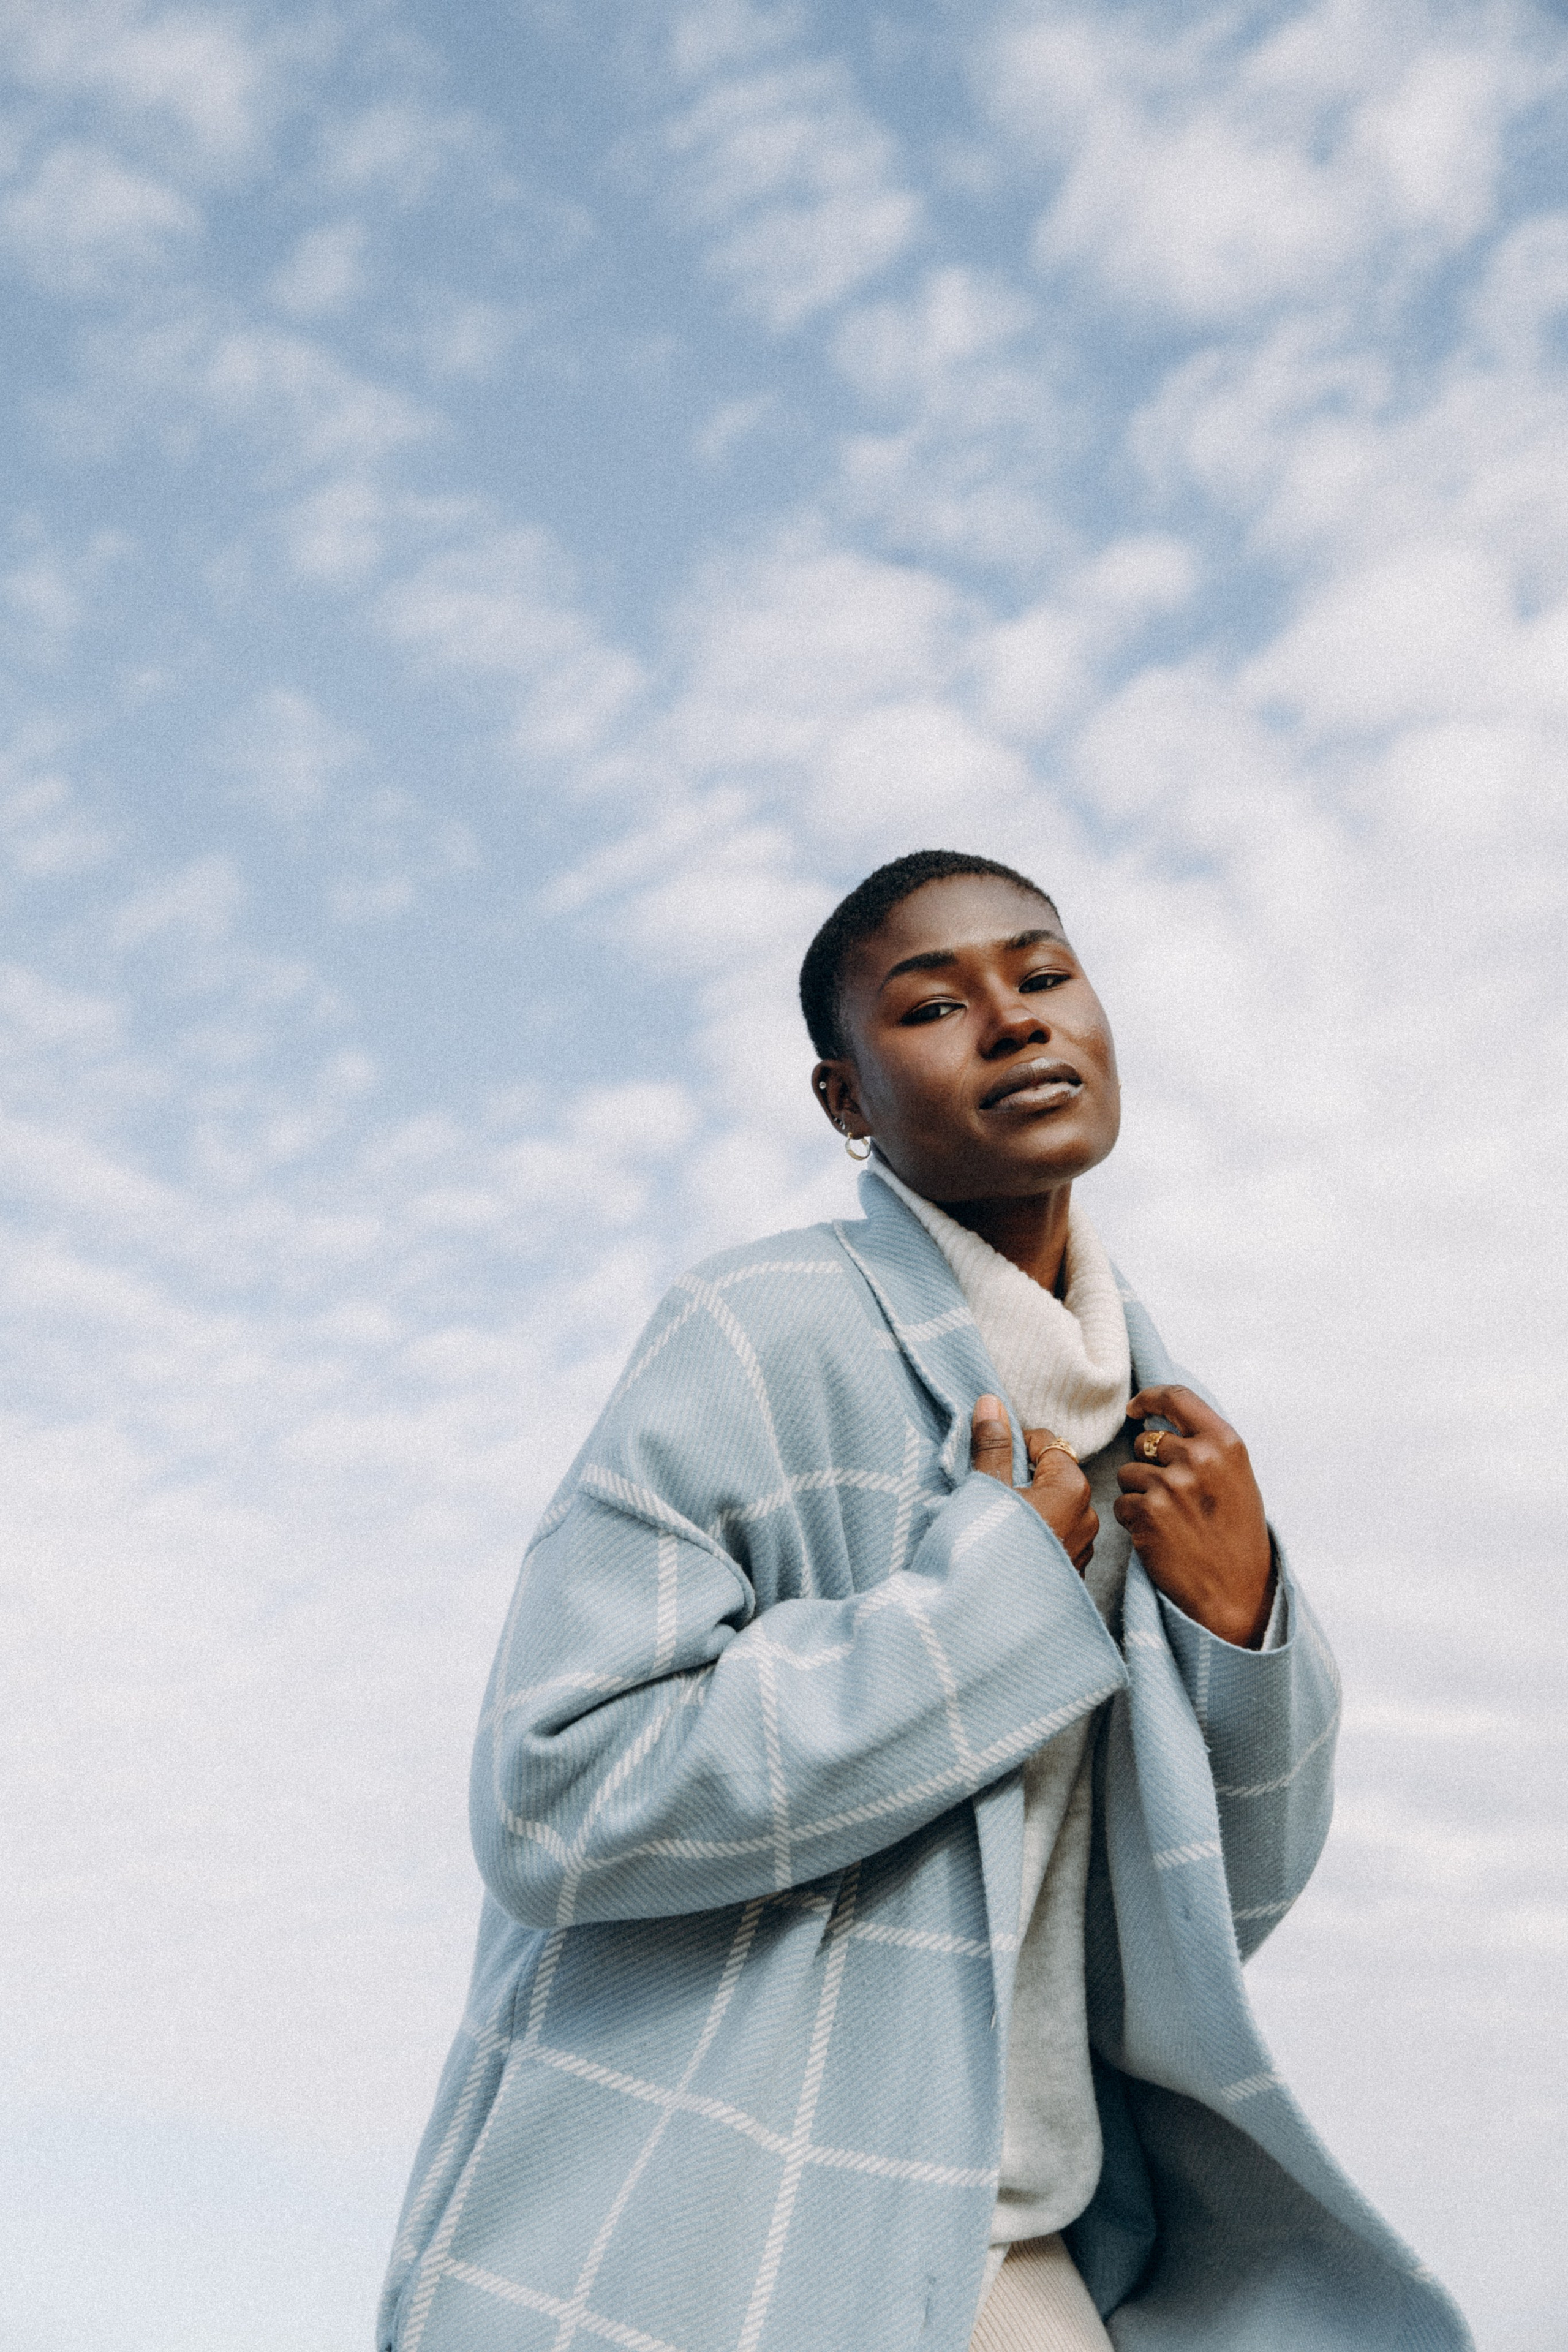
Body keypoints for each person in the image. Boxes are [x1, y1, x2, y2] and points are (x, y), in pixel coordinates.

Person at [379, 851, 1471, 2352]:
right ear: (845, 1100)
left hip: (1022, 2243)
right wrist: (987, 1611)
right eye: (934, 1004)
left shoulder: (1157, 1436)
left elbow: (1201, 1924)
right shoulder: (756, 1333)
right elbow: (555, 1797)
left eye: (1043, 976)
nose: (1015, 1020)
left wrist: (1238, 1637)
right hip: (723, 2235)